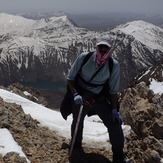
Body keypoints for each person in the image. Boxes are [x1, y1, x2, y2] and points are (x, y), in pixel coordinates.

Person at [61, 37, 129, 163]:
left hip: (98, 97)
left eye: (106, 48)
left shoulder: (113, 65)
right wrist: (75, 94)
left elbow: (113, 90)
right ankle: (76, 147)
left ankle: (119, 157)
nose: (102, 51)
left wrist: (114, 110)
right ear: (96, 48)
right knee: (77, 122)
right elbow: (70, 78)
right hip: (80, 95)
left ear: (110, 50)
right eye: (100, 47)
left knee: (114, 124)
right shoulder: (84, 57)